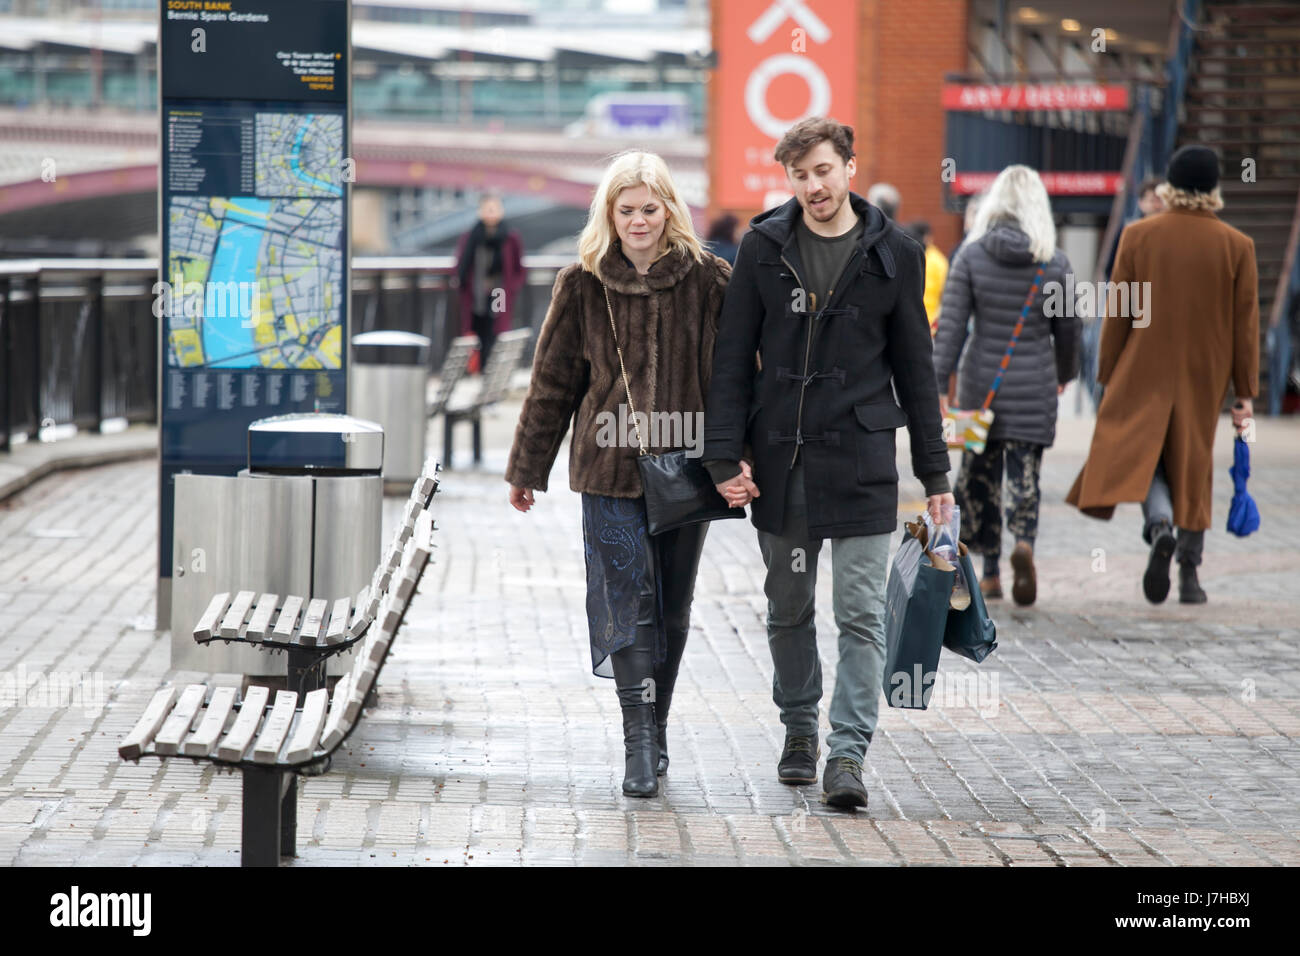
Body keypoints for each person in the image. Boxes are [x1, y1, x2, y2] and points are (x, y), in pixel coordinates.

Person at [703, 117, 952, 810]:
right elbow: (730, 362)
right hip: (782, 461)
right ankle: (800, 730)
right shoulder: (762, 248)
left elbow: (917, 371)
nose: (812, 186)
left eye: (822, 170)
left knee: (861, 613)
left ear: (848, 166)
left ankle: (847, 753)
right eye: (799, 174)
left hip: (865, 460)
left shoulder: (895, 254)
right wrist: (723, 456)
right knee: (787, 608)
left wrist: (936, 476)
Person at [505, 151, 731, 797]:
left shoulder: (710, 281)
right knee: (629, 605)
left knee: (673, 609)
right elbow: (552, 383)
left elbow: (734, 380)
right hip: (608, 472)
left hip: (687, 471)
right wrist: (528, 468)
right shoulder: (581, 283)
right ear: (610, 213)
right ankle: (637, 745)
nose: (638, 220)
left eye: (649, 209)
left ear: (669, 212)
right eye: (626, 209)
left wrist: (735, 460)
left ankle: (657, 726)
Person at [1067, 145, 1258, 605]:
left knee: (1145, 456)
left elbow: (1120, 313)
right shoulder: (1238, 247)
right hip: (1204, 371)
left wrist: (1107, 370)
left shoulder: (1138, 236)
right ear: (1213, 190)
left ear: (1170, 187)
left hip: (1142, 365)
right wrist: (1245, 392)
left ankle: (1158, 526)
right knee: (1193, 464)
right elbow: (1244, 325)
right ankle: (1190, 577)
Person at [932, 165, 1079, 606]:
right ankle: (1025, 544)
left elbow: (952, 328)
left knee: (980, 479)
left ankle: (991, 572)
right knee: (1024, 474)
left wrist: (941, 387)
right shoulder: (1056, 261)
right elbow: (1070, 330)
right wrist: (1065, 374)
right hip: (1034, 384)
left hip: (982, 388)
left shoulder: (971, 256)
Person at [1084, 176, 1166, 409]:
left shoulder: (1172, 234)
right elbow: (1113, 271)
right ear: (1141, 203)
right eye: (1152, 200)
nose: (1156, 205)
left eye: (1160, 200)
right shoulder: (1129, 231)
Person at [455, 192, 525, 369]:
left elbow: (518, 268)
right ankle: (478, 370)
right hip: (476, 294)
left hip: (499, 292)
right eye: (488, 209)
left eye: (494, 209)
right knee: (477, 331)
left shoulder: (510, 237)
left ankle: (492, 371)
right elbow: (461, 264)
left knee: (497, 331)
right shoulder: (471, 236)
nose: (491, 213)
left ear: (501, 211)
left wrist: (513, 287)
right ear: (480, 211)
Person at [905, 220, 950, 334]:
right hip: (930, 324)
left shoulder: (906, 255)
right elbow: (946, 294)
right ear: (928, 236)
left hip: (907, 321)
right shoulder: (939, 261)